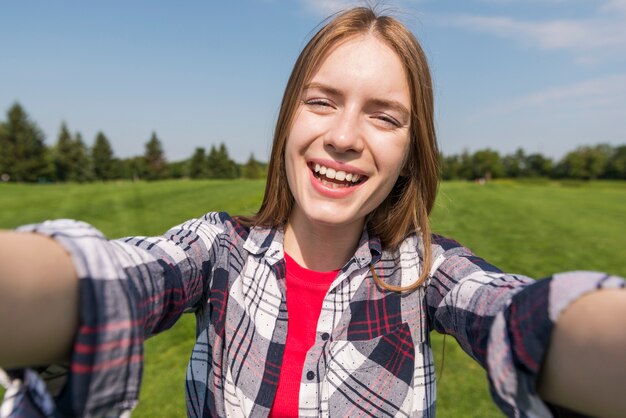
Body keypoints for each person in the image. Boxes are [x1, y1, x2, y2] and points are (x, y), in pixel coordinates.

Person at [1, 6, 625, 418]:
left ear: (410, 151)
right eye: (323, 102)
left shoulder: (424, 272)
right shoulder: (216, 250)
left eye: (384, 116)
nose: (346, 137)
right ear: (288, 122)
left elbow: (514, 313)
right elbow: (114, 279)